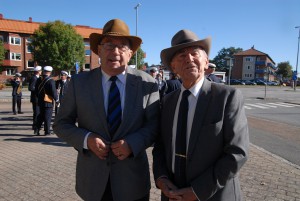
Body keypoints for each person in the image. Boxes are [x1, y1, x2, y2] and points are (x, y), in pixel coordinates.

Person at [53, 19, 160, 201]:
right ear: (99, 50)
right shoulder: (79, 83)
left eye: (122, 46)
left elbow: (155, 125)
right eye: (109, 45)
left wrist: (133, 143)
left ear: (131, 52)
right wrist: (87, 139)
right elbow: (61, 124)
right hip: (93, 182)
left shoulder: (147, 83)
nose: (115, 52)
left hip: (133, 182)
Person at [152, 29, 249, 201]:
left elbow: (237, 153)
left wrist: (198, 191)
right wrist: (161, 179)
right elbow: (160, 146)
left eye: (194, 53)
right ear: (173, 67)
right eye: (181, 55)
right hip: (172, 194)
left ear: (206, 62)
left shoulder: (227, 97)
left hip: (213, 195)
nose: (189, 58)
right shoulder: (167, 102)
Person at [35, 66, 58, 135]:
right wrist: (57, 100)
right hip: (48, 101)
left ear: (44, 71)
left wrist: (39, 97)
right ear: (50, 72)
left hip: (40, 101)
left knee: (41, 116)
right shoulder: (51, 81)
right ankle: (47, 131)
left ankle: (37, 129)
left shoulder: (39, 79)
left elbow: (36, 91)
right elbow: (54, 92)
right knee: (47, 117)